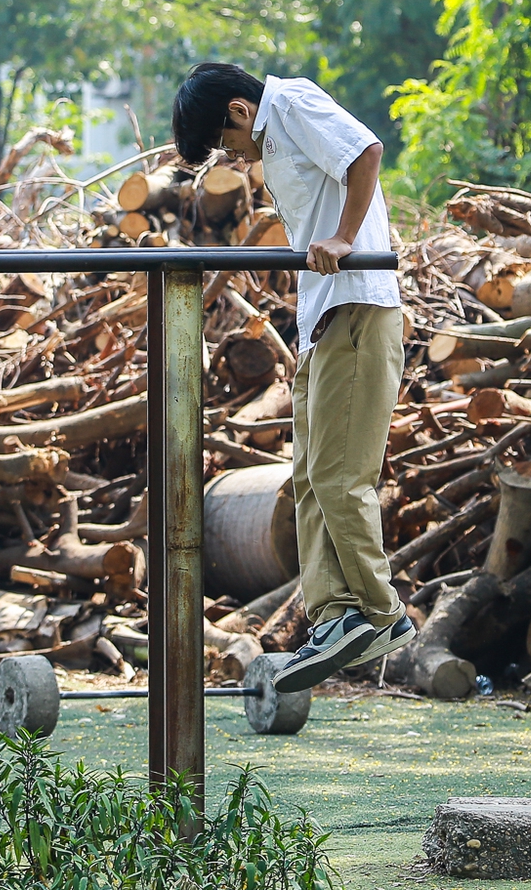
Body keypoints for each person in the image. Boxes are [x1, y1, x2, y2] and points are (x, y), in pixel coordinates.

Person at [172, 63, 415, 690]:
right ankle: (334, 614)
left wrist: (342, 235)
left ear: (239, 111)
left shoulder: (294, 103)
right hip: (323, 319)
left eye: (229, 144)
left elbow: (366, 151)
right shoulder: (274, 130)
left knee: (341, 477)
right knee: (306, 477)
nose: (237, 157)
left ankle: (382, 613)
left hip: (358, 305)